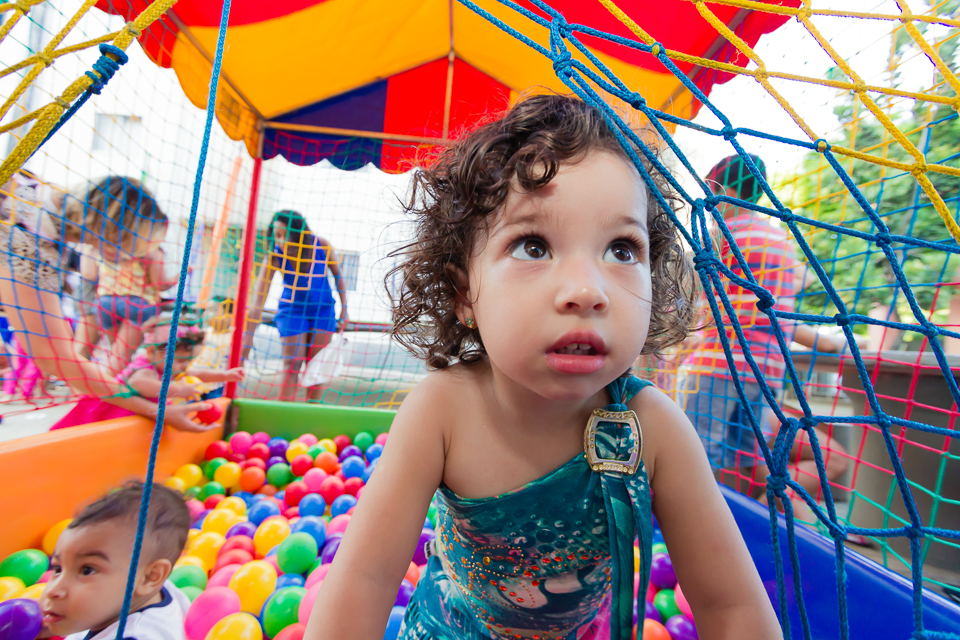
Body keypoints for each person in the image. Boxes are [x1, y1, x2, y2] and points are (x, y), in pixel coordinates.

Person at [305, 95, 780, 640]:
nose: (586, 291)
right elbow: (363, 580)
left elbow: (732, 607)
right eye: (533, 245)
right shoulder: (443, 411)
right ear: (465, 291)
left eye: (623, 250)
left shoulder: (654, 430)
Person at [679, 154, 849, 510]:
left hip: (718, 364)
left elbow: (698, 293)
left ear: (715, 187)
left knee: (699, 451)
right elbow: (791, 296)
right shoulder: (780, 241)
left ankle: (689, 521)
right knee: (745, 457)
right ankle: (739, 519)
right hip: (766, 371)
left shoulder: (722, 235)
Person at [0, 172, 211, 431]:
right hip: (127, 306)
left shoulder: (45, 208)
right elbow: (57, 358)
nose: (130, 257)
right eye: (132, 246)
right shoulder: (32, 239)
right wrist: (157, 412)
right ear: (111, 231)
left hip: (106, 303)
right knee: (97, 360)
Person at [39, 481, 192, 639]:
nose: (53, 591)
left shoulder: (136, 635)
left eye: (87, 570)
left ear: (149, 577)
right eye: (58, 569)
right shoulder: (156, 590)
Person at [49, 311, 244, 430]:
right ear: (151, 350)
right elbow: (139, 384)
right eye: (180, 361)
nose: (183, 367)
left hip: (132, 411)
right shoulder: (145, 368)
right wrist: (179, 390)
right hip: (110, 410)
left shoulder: (165, 364)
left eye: (188, 361)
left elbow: (194, 373)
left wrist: (225, 376)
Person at [244, 210, 349, 402]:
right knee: (292, 364)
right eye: (275, 235)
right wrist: (246, 343)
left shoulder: (322, 246)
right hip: (292, 310)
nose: (278, 241)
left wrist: (345, 309)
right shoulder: (274, 257)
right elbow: (257, 302)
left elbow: (338, 277)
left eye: (282, 235)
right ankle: (282, 413)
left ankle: (312, 411)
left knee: (316, 366)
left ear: (298, 235)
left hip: (323, 309)